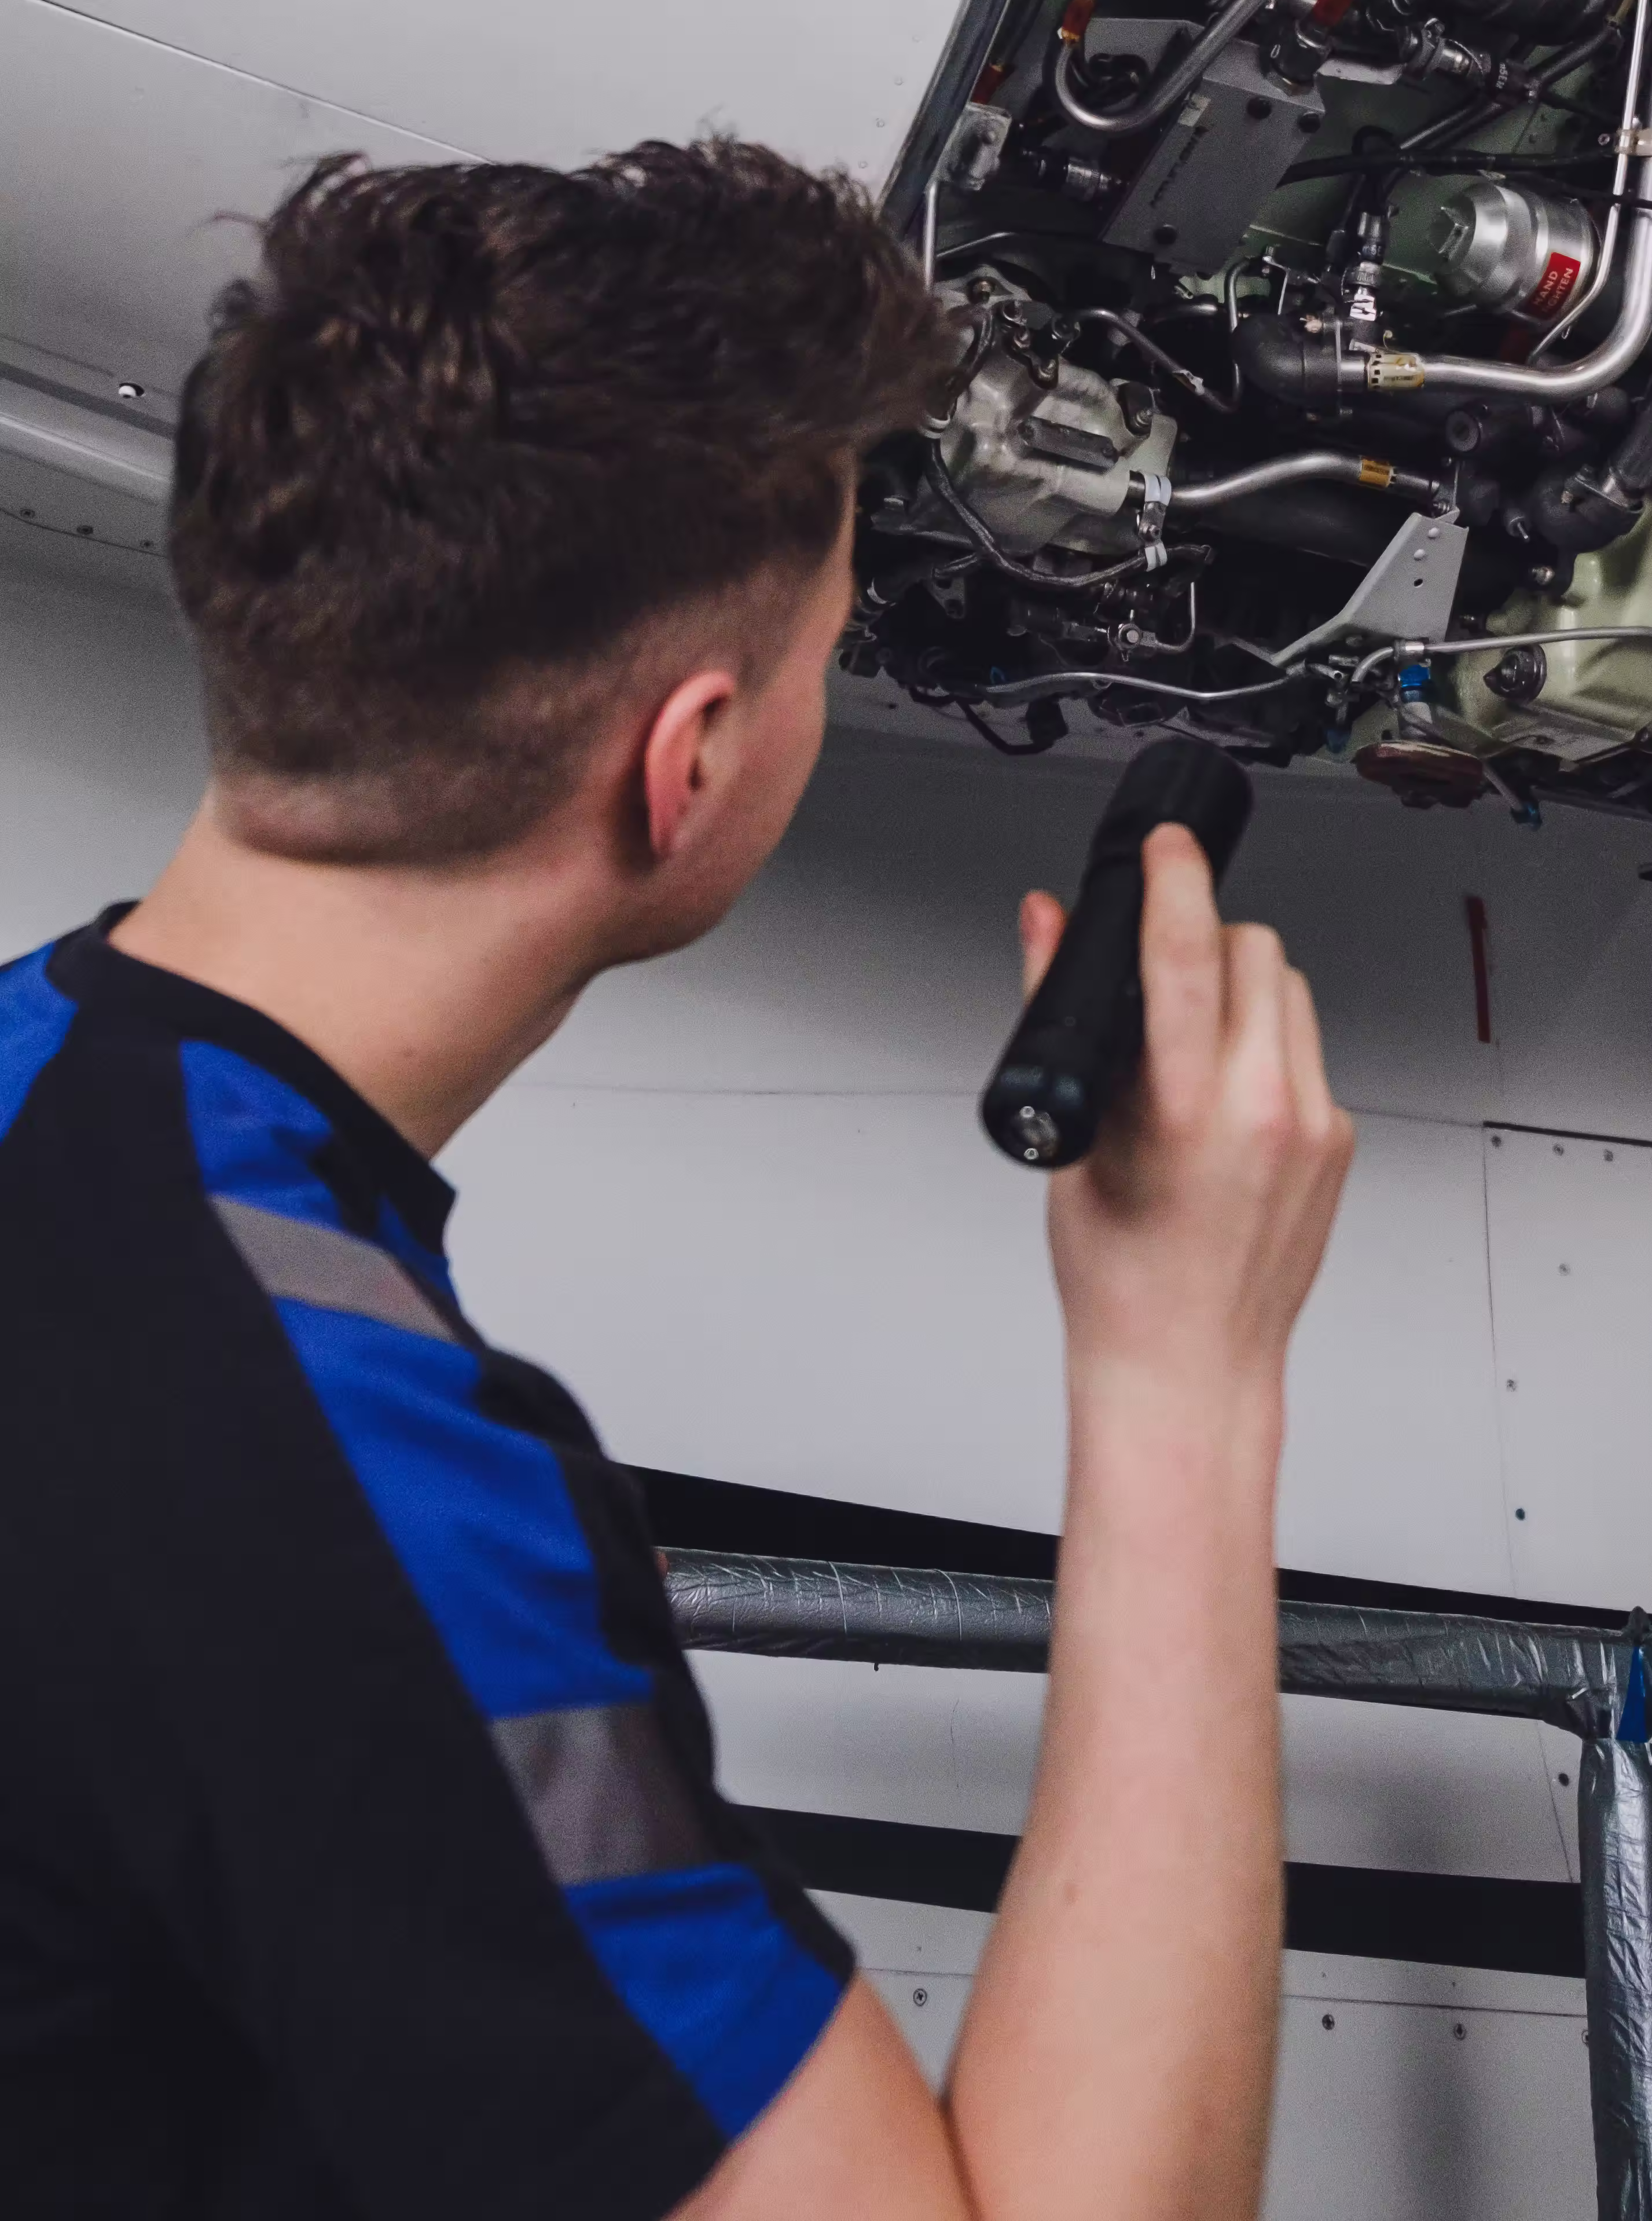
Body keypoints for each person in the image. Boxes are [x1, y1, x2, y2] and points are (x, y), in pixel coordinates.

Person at [0, 138, 1353, 2221]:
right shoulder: (342, 1479)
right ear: (690, 758)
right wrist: (1187, 1375)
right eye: (829, 645)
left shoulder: (42, 1086)